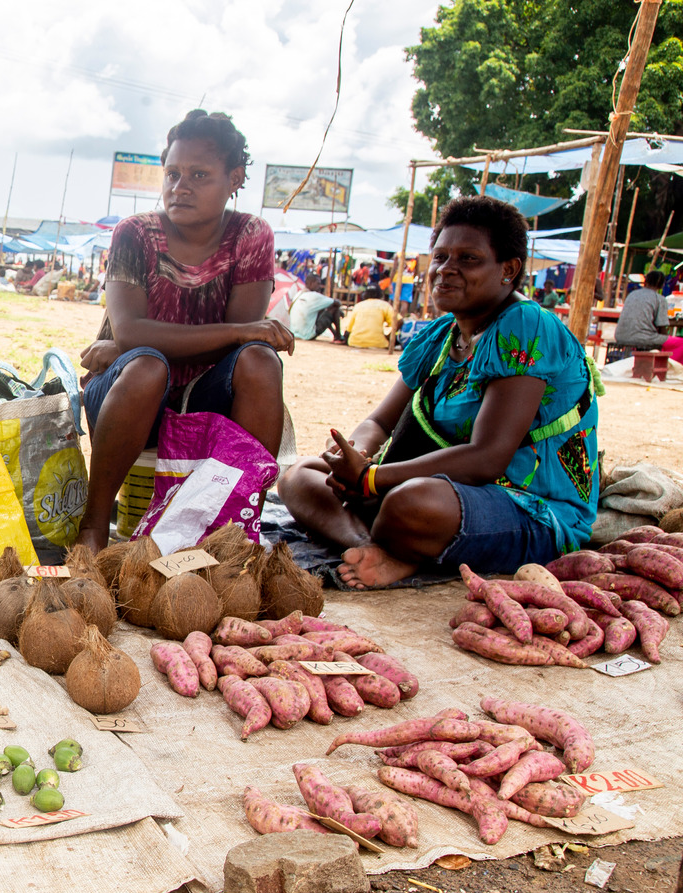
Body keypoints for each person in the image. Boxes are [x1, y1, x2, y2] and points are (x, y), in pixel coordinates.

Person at [277, 195, 599, 589]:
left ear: (508, 270)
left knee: (410, 503)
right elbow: (380, 420)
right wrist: (354, 456)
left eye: (468, 259)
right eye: (441, 257)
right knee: (298, 476)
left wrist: (373, 479)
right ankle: (369, 546)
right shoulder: (441, 335)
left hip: (528, 507)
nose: (446, 270)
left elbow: (487, 458)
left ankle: (397, 540)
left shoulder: (527, 325)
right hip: (436, 488)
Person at [75, 109, 290, 552]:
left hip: (204, 400)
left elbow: (247, 344)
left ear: (234, 178)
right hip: (130, 398)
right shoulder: (135, 233)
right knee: (147, 367)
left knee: (259, 361)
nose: (180, 186)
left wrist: (131, 343)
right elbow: (135, 335)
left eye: (198, 174)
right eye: (172, 173)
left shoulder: (251, 235)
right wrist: (128, 346)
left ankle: (239, 532)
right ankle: (94, 527)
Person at [616, 270, 683, 363]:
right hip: (642, 338)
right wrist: (665, 341)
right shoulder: (660, 299)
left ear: (645, 281)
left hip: (620, 335)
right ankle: (671, 367)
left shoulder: (632, 294)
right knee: (680, 343)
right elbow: (662, 326)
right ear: (662, 285)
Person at [288, 274, 343, 342]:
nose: (319, 286)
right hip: (307, 335)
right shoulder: (314, 296)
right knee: (334, 308)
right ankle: (338, 336)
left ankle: (335, 334)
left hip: (294, 333)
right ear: (311, 283)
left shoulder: (298, 294)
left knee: (322, 309)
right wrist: (340, 312)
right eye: (318, 283)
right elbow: (337, 303)